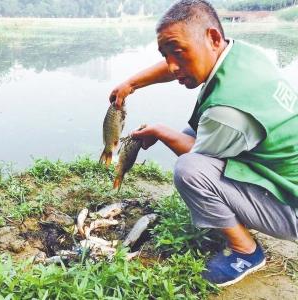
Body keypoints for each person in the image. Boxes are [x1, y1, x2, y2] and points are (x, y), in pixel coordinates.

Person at [109, 0, 298, 287]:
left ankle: (245, 252)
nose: (172, 66)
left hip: (291, 209)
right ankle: (235, 217)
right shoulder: (242, 54)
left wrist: (160, 131)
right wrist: (131, 84)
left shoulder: (227, 113)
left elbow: (197, 159)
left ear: (212, 38)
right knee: (192, 132)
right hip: (284, 175)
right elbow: (175, 63)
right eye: (165, 55)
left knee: (190, 171)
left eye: (179, 52)